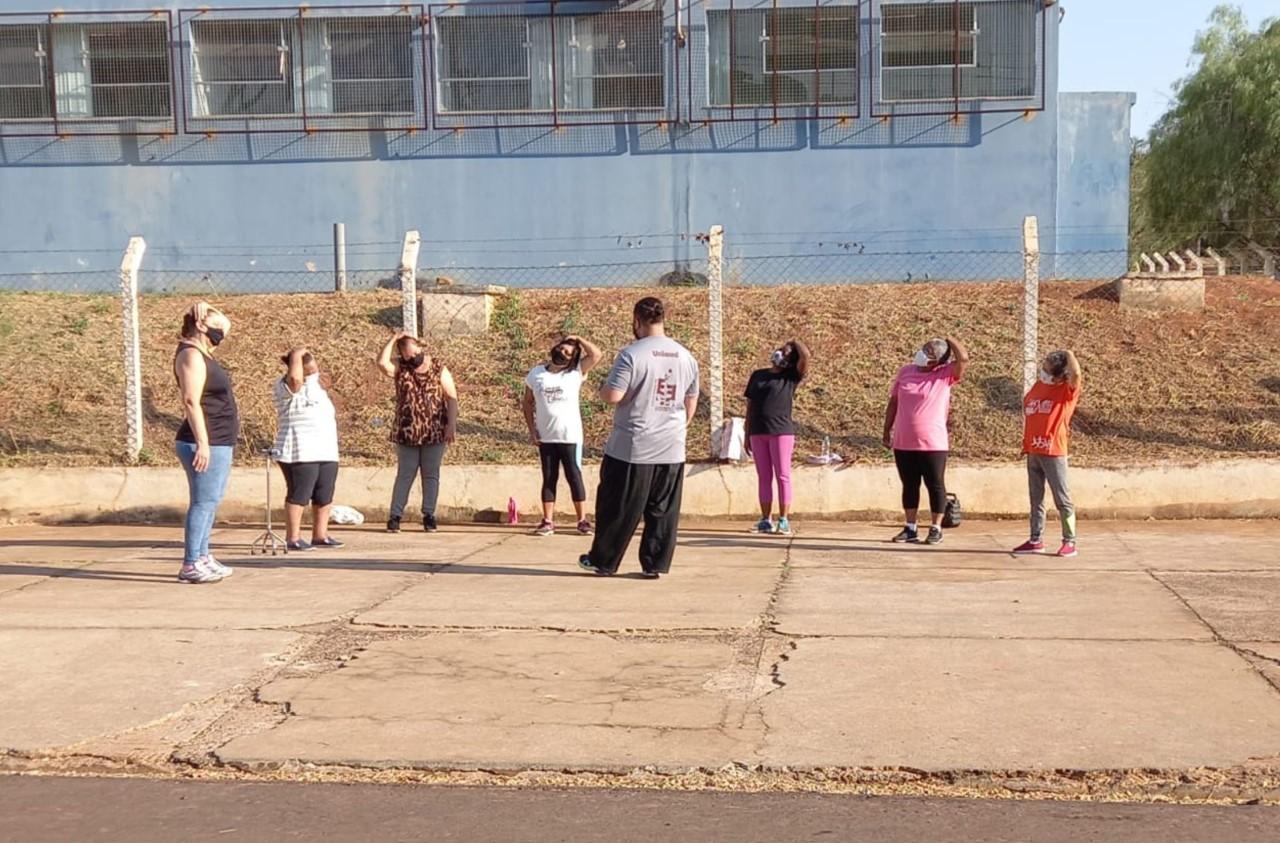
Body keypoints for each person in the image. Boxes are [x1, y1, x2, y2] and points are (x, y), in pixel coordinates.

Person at [578, 297, 700, 579]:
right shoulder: (686, 356)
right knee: (663, 508)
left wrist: (601, 388)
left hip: (634, 444)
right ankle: (655, 563)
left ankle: (604, 560)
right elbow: (690, 401)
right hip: (671, 445)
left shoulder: (632, 354)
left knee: (618, 505)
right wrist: (678, 426)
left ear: (637, 320)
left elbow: (613, 395)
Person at [173, 302, 239, 584]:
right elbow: (190, 400)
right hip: (203, 441)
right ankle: (190, 563)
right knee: (202, 503)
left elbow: (227, 324)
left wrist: (207, 306)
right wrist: (203, 442)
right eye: (215, 327)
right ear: (200, 326)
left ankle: (202, 555)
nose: (221, 332)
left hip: (220, 439)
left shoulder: (204, 353)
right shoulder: (190, 354)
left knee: (211, 501)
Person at [882, 336, 969, 545]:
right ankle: (910, 527)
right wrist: (886, 430)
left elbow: (963, 359)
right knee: (909, 485)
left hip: (933, 443)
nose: (922, 352)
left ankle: (936, 527)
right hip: (904, 440)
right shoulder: (906, 371)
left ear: (937, 361)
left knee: (935, 485)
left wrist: (950, 340)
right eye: (924, 348)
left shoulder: (944, 375)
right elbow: (894, 402)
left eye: (929, 351)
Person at [522, 334, 604, 536]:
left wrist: (578, 339)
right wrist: (532, 430)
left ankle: (582, 520)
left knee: (573, 476)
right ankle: (548, 521)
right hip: (546, 436)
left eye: (568, 353)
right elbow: (527, 402)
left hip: (570, 436)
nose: (562, 352)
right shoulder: (536, 373)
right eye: (561, 348)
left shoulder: (575, 373)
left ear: (572, 359)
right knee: (549, 477)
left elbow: (596, 355)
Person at [377, 332, 458, 533]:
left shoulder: (438, 367)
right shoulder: (401, 367)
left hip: (434, 431)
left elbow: (451, 397)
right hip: (407, 431)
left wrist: (451, 424)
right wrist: (393, 339)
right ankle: (395, 516)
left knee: (431, 474)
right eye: (407, 355)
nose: (412, 358)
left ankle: (429, 515)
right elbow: (382, 363)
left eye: (414, 353)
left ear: (420, 347)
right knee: (405, 474)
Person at [1014, 350, 1083, 558]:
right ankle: (1035, 539)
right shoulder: (1038, 386)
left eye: (1047, 370)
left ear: (1060, 375)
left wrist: (1069, 354)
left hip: (1053, 450)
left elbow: (1076, 374)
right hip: (1034, 449)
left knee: (1062, 498)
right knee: (1036, 498)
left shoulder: (1066, 392)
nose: (1042, 372)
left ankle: (1069, 541)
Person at [273, 347, 343, 552]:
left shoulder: (315, 387)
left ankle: (320, 535)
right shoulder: (286, 386)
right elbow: (295, 380)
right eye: (308, 366)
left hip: (325, 449)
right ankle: (293, 538)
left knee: (324, 493)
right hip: (300, 451)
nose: (314, 369)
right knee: (299, 493)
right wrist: (296, 353)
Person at [743, 339, 811, 536]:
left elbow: (806, 356)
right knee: (764, 477)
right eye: (780, 350)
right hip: (758, 432)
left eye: (785, 352)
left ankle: (783, 520)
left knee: (782, 475)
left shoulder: (790, 377)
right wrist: (747, 433)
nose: (780, 353)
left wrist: (795, 342)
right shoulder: (758, 375)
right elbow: (750, 405)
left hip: (781, 432)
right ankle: (765, 520)